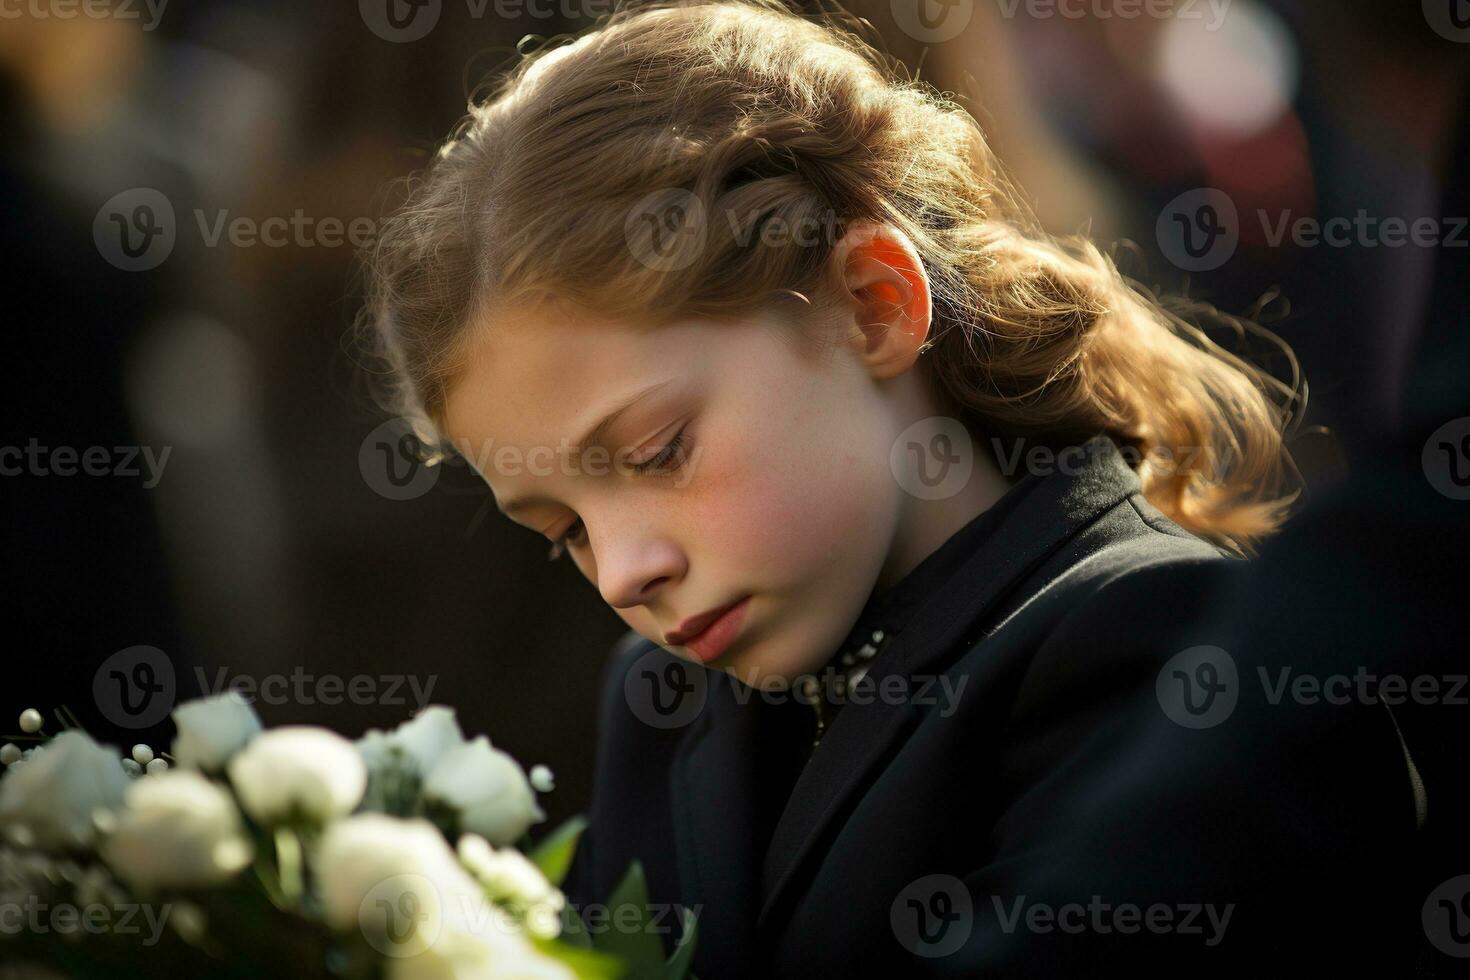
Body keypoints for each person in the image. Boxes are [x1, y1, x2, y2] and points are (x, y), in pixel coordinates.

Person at [355, 1, 1420, 975]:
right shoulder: (662, 704)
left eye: (656, 451)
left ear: (870, 303)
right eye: (564, 532)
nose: (628, 571)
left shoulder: (1145, 647)